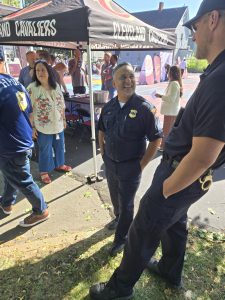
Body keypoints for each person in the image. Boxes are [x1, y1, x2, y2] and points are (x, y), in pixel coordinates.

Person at [89, 0, 225, 298]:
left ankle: (118, 290)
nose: (192, 34)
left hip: (180, 173)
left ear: (212, 20)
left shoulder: (221, 78)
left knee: (142, 230)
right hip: (185, 176)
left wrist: (165, 189)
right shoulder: (217, 72)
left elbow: (204, 155)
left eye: (195, 25)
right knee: (174, 225)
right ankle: (169, 270)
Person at [98, 62, 162, 257]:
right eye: (123, 77)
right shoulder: (108, 106)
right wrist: (103, 152)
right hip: (110, 163)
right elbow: (101, 129)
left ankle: (121, 238)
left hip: (130, 167)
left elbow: (156, 139)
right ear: (114, 83)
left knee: (127, 204)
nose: (128, 81)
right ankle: (118, 219)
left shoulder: (144, 108)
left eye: (131, 76)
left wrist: (141, 165)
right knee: (116, 198)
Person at [0, 54, 49, 227]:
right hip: (21, 141)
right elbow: (27, 110)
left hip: (10, 145)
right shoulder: (15, 83)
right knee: (11, 176)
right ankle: (6, 203)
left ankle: (40, 210)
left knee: (22, 180)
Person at [27, 60, 72, 184]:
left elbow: (61, 104)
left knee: (59, 146)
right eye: (38, 70)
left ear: (48, 71)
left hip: (57, 123)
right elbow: (28, 109)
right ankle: (44, 171)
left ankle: (59, 164)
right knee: (45, 149)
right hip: (42, 126)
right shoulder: (32, 88)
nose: (40, 72)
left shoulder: (56, 86)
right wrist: (32, 128)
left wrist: (63, 119)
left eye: (43, 70)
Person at [156, 66, 183, 150]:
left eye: (168, 71)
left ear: (171, 73)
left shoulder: (174, 83)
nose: (167, 73)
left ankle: (163, 146)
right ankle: (164, 145)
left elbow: (171, 99)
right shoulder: (176, 83)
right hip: (172, 110)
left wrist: (160, 96)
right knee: (168, 129)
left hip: (170, 111)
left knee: (166, 130)